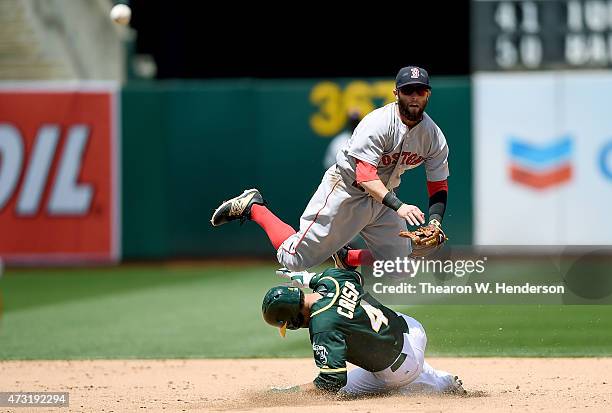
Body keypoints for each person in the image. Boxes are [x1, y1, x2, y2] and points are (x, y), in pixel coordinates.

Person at [211, 66, 450, 273]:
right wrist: (400, 206)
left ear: (428, 94)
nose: (414, 96)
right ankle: (254, 207)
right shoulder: (378, 124)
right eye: (408, 90)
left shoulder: (433, 136)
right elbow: (365, 176)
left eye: (420, 90)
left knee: (401, 268)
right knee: (293, 259)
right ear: (396, 93)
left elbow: (438, 183)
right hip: (347, 190)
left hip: (383, 198)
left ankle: (347, 257)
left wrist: (436, 222)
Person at [262, 267, 465, 396]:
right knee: (365, 319)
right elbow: (353, 276)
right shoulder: (332, 279)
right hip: (413, 330)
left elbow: (331, 381)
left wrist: (291, 393)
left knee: (343, 391)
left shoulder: (322, 325)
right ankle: (434, 376)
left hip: (401, 370)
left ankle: (436, 384)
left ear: (292, 319)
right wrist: (308, 278)